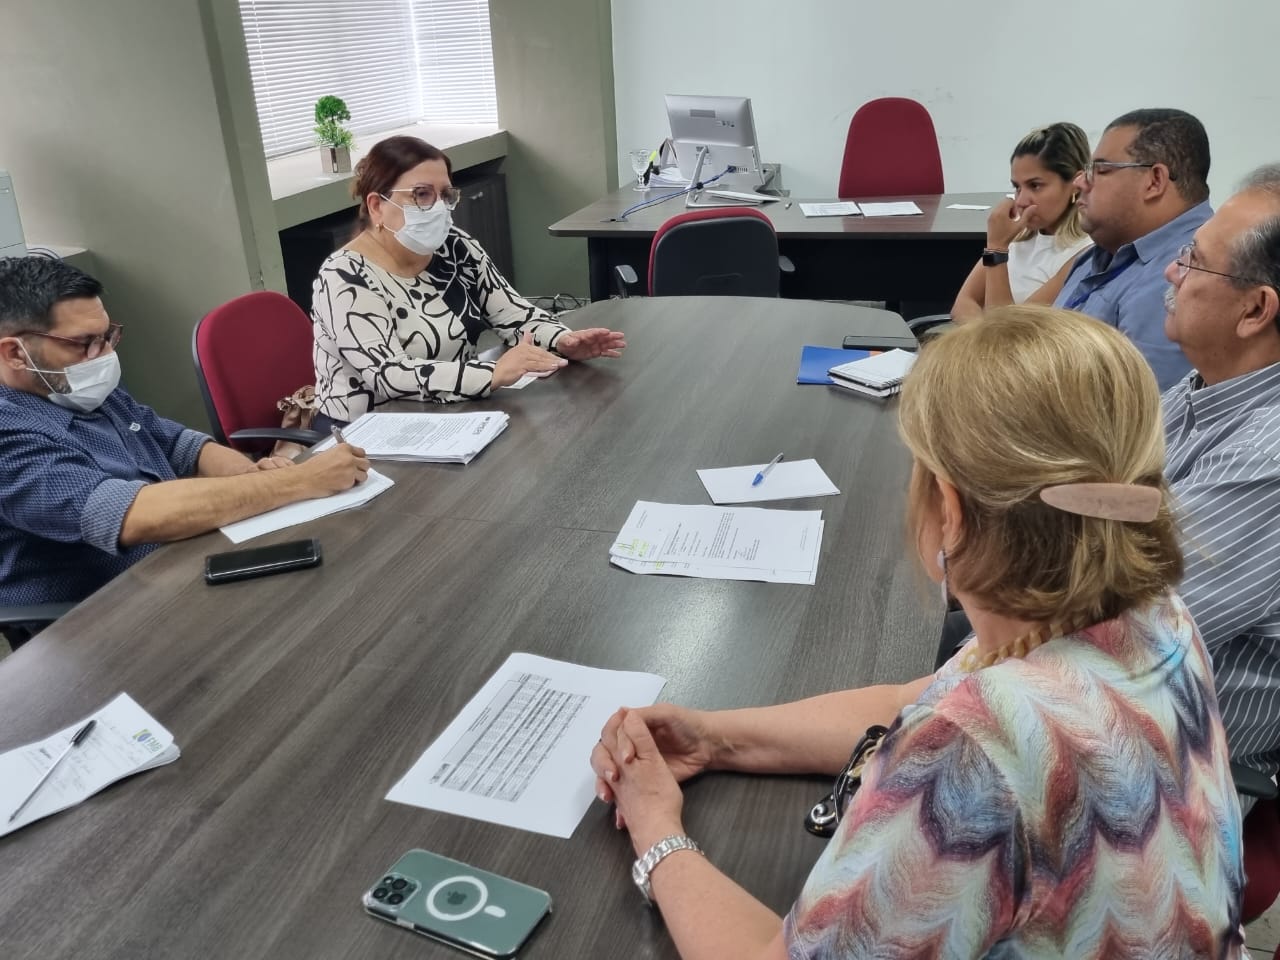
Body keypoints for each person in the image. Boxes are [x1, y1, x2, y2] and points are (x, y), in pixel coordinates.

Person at [591, 306, 1246, 958]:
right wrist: (713, 738)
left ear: (949, 509)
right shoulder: (1149, 613)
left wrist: (655, 829)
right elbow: (912, 698)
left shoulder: (973, 753)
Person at [0, 255, 369, 627]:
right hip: (104, 620)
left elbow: (179, 443)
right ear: (15, 353)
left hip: (177, 566)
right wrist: (296, 480)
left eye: (107, 336)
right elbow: (131, 515)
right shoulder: (9, 433)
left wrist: (252, 474)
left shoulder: (72, 387)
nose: (105, 354)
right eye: (85, 343)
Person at [312, 136, 626, 422]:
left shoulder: (454, 247)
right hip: (365, 436)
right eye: (421, 194)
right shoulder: (345, 276)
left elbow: (514, 314)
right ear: (377, 206)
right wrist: (492, 373)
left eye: (445, 195)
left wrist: (562, 340)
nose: (438, 208)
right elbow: (388, 374)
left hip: (451, 415)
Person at [1161, 164, 1280, 804]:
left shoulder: (1267, 457)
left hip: (1174, 764)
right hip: (1098, 693)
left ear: (1255, 310)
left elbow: (1115, 631)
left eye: (1193, 262)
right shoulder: (1206, 386)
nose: (1170, 272)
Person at [1054, 108, 1213, 391]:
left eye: (1101, 170)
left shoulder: (1190, 271)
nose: (1079, 182)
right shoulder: (1098, 254)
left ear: (1154, 181)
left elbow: (1144, 412)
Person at [950, 123, 1093, 323]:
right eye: (1017, 187)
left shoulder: (1085, 254)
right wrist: (980, 336)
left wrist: (997, 250)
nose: (1021, 201)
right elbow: (963, 304)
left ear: (1075, 184)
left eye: (1035, 186)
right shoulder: (1016, 236)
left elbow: (1008, 329)